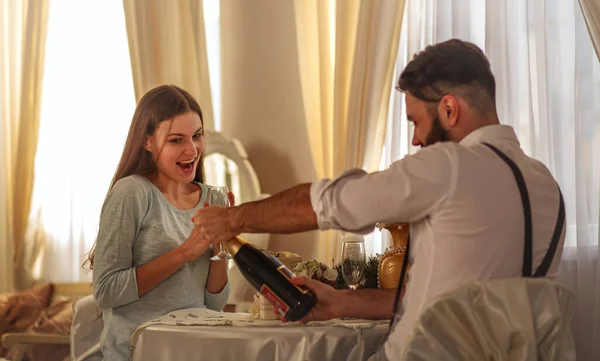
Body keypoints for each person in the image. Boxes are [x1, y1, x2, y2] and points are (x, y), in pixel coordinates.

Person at [191, 39, 566, 360]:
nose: (416, 140)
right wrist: (343, 302)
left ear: (449, 109)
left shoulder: (448, 165)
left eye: (416, 122)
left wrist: (230, 220)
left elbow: (323, 204)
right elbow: (459, 308)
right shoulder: (547, 188)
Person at [87, 85, 230, 361]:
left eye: (197, 136)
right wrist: (183, 254)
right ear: (147, 141)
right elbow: (106, 292)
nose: (192, 149)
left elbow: (214, 304)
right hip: (138, 352)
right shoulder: (132, 193)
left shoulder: (213, 198)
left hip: (195, 350)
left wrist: (222, 242)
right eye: (176, 140)